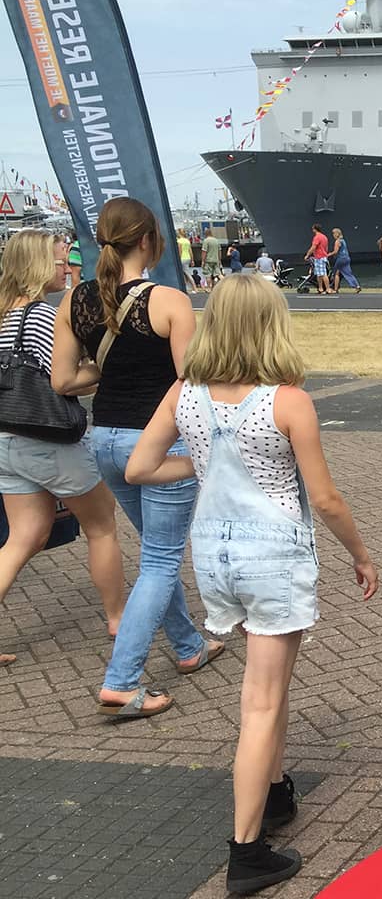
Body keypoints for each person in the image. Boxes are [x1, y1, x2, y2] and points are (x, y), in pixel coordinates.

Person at [125, 273, 378, 894]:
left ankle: (275, 788)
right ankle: (246, 850)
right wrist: (362, 554)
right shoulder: (287, 400)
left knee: (271, 684)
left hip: (214, 556)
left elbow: (140, 466)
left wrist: (208, 461)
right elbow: (325, 497)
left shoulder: (185, 393)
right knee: (261, 700)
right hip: (273, 557)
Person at [51, 197, 221, 720]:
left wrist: (109, 374)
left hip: (104, 440)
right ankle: (121, 682)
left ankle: (189, 645)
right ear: (147, 240)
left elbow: (62, 381)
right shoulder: (170, 302)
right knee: (162, 560)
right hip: (158, 443)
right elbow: (189, 387)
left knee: (155, 551)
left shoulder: (75, 300)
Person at [0, 231, 125, 667]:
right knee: (102, 525)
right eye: (60, 261)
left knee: (23, 536)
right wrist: (104, 368)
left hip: (6, 440)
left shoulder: (0, 315)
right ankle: (118, 617)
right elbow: (65, 376)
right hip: (49, 439)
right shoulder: (38, 317)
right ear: (37, 267)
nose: (68, 268)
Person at [328, 228, 360, 294]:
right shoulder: (343, 240)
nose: (333, 235)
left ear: (336, 234)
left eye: (333, 233)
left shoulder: (337, 241)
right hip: (347, 258)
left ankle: (335, 289)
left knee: (336, 273)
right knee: (348, 273)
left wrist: (328, 254)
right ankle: (357, 285)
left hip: (341, 259)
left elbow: (335, 251)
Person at [302, 224, 331, 295]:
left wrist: (307, 255)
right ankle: (320, 288)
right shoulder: (324, 237)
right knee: (319, 274)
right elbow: (326, 248)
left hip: (319, 257)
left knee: (323, 274)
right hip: (323, 256)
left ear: (315, 229)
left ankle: (327, 289)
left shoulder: (317, 237)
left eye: (313, 229)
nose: (312, 230)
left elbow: (313, 247)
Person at [175, 228, 198, 293]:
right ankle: (186, 288)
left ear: (179, 233)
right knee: (185, 274)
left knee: (187, 274)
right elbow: (190, 251)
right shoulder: (187, 241)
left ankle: (194, 288)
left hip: (182, 258)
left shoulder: (179, 241)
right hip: (188, 258)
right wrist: (192, 260)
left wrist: (178, 259)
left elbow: (180, 251)